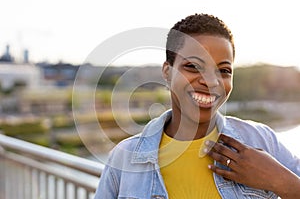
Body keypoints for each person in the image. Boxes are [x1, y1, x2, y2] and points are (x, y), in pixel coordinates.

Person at [94, 13, 300, 199]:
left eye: (224, 70)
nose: (211, 81)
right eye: (193, 67)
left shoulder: (263, 141)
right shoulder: (124, 158)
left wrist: (281, 181)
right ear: (167, 71)